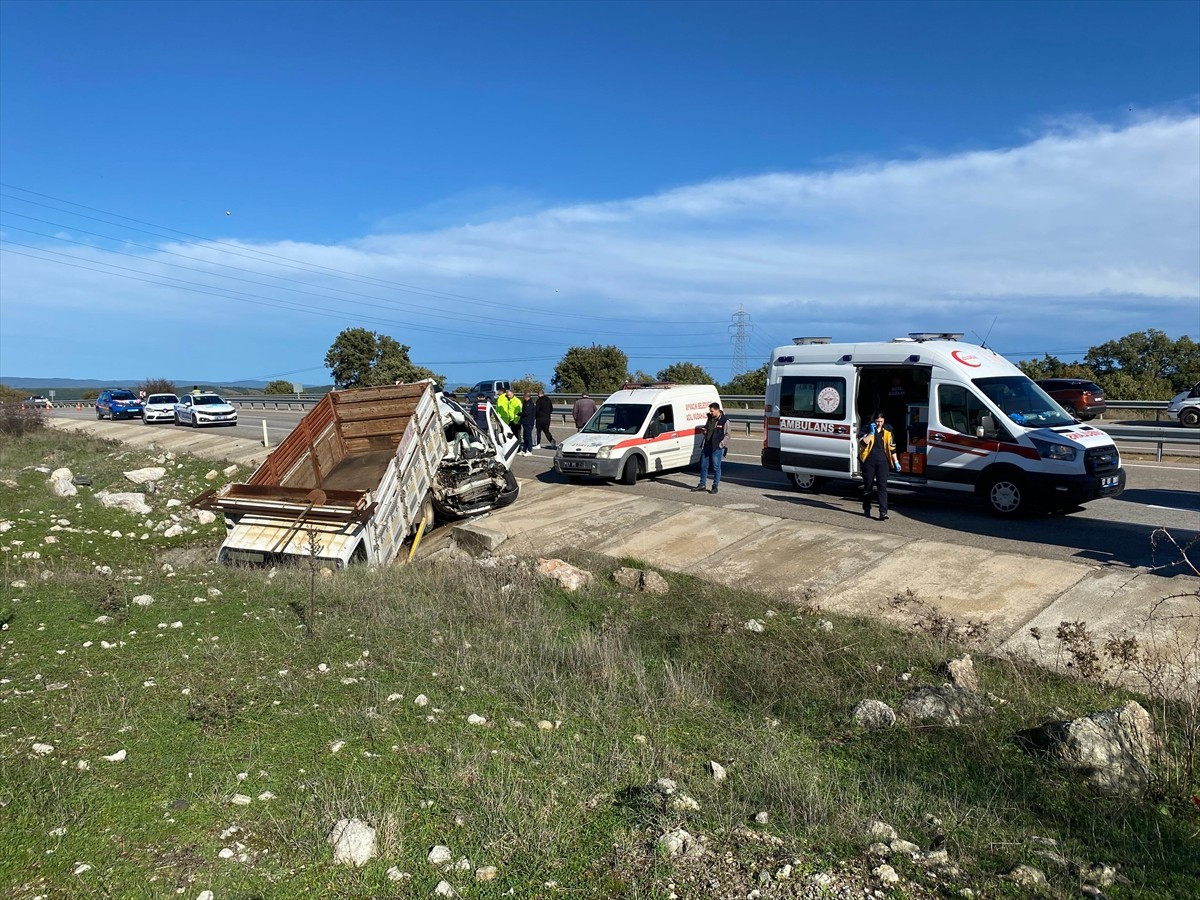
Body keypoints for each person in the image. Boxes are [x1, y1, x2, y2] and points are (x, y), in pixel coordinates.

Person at [858, 410, 901, 521]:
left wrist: (896, 461)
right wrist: (871, 434)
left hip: (883, 462)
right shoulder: (867, 429)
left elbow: (892, 447)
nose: (879, 424)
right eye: (877, 421)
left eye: (881, 421)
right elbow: (862, 443)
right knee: (868, 486)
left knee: (882, 487)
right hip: (869, 461)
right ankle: (867, 508)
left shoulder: (888, 431)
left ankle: (883, 512)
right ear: (874, 421)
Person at [692, 402, 730, 494]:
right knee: (703, 466)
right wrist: (704, 431)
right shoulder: (710, 418)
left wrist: (721, 445)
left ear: (717, 410)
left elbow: (728, 435)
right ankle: (702, 484)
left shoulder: (725, 421)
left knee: (716, 467)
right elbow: (707, 428)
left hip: (716, 447)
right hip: (707, 445)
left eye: (712, 411)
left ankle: (715, 486)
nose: (711, 412)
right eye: (710, 411)